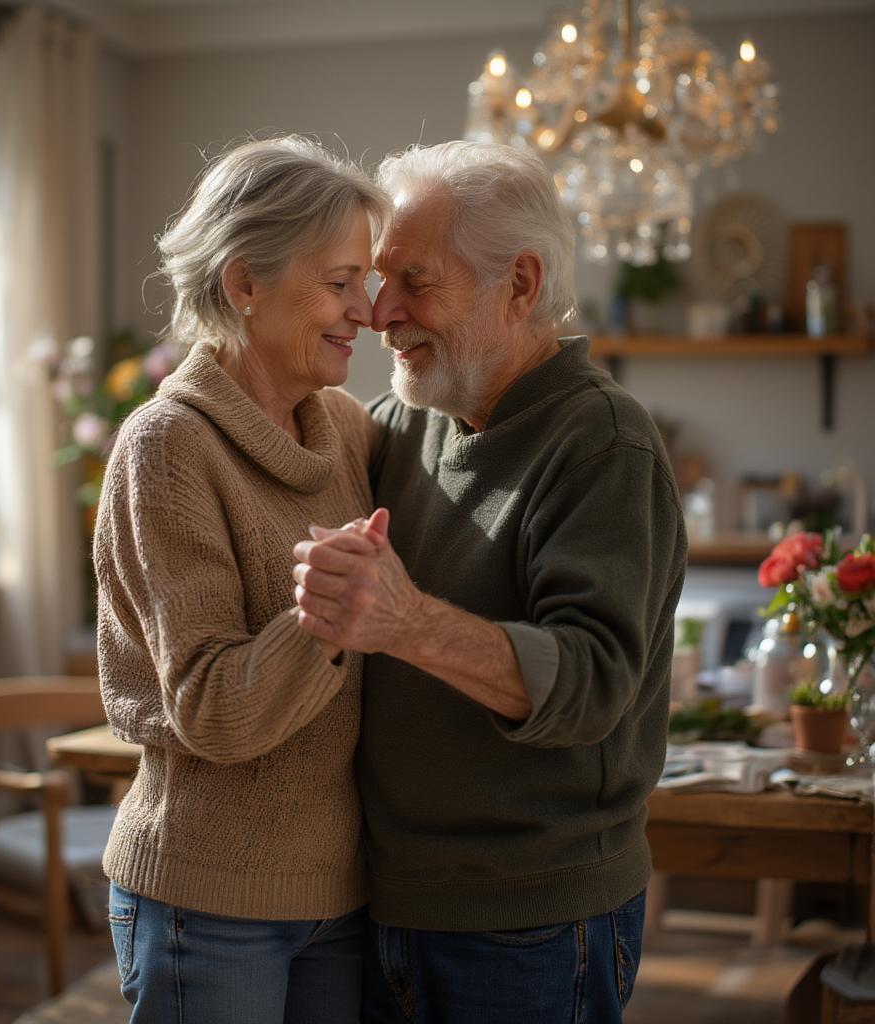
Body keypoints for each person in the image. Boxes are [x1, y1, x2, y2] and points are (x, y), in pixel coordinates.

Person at [292, 140, 688, 1022]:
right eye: (377, 279)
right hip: (382, 898)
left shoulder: (604, 443)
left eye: (415, 281)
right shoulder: (401, 421)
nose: (380, 311)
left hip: (531, 921)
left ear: (520, 283)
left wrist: (407, 623)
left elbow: (590, 685)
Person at [93, 136, 388, 1024]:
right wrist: (327, 610)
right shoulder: (166, 446)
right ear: (243, 283)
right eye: (339, 282)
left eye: (364, 282)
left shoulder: (341, 425)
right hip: (204, 898)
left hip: (339, 892)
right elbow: (214, 709)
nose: (365, 312)